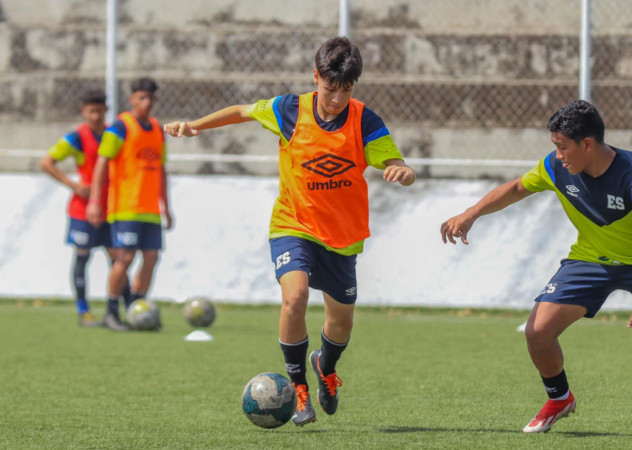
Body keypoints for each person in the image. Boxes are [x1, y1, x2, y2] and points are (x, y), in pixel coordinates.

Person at [441, 100, 632, 436]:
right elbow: (516, 188)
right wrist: (471, 213)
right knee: (537, 333)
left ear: (587, 144)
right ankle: (560, 399)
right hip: (590, 260)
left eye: (563, 146)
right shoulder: (555, 167)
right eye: (555, 146)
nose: (558, 155)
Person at [162, 36, 415, 427]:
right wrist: (195, 126)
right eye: (330, 89)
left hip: (342, 237)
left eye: (345, 91)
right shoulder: (289, 109)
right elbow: (243, 111)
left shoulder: (365, 120)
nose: (336, 99)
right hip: (292, 224)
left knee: (341, 323)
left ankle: (324, 368)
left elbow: (393, 158)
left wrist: (402, 169)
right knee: (294, 297)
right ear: (315, 77)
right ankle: (298, 390)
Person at [40, 89, 132, 327]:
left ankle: (129, 308)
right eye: (91, 111)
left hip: (111, 208)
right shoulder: (77, 138)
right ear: (84, 112)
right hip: (83, 210)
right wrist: (72, 184)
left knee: (119, 258)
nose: (95, 116)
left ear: (106, 111)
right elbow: (46, 162)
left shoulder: (114, 134)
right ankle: (84, 311)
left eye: (99, 111)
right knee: (83, 256)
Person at [87, 78, 173, 332]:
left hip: (151, 210)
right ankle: (112, 311)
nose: (146, 103)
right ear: (132, 99)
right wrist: (95, 201)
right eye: (141, 98)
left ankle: (136, 308)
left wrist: (166, 206)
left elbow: (162, 170)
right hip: (125, 206)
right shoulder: (120, 126)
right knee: (124, 258)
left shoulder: (158, 129)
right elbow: (102, 163)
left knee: (152, 258)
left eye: (150, 98)